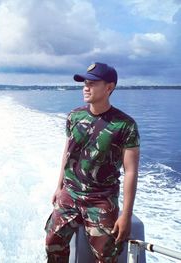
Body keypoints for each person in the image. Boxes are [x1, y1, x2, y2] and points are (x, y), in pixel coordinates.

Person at [45, 62, 140, 263]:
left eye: (93, 83)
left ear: (109, 87)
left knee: (106, 256)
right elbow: (67, 154)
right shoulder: (74, 116)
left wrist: (126, 215)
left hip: (101, 199)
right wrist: (59, 187)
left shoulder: (125, 125)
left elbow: (131, 171)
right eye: (85, 83)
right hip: (69, 193)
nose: (86, 87)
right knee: (52, 243)